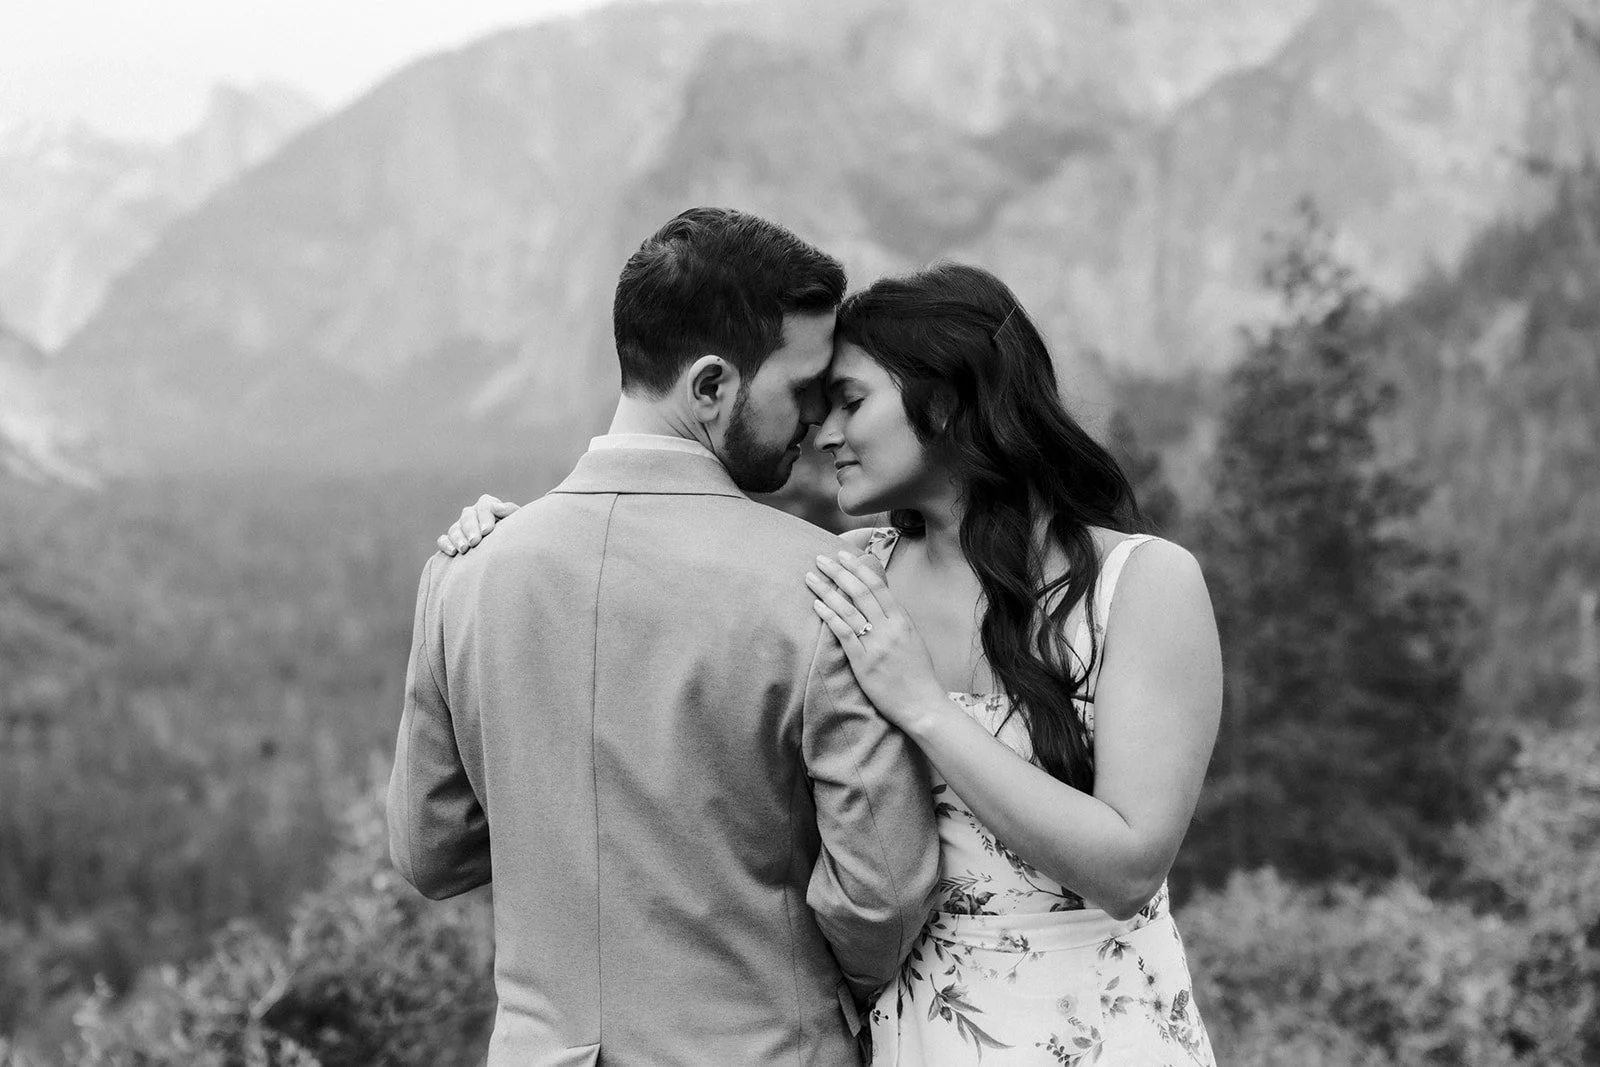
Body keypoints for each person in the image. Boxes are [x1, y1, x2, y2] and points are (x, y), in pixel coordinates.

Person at [445, 262, 1221, 1065]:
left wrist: (922, 706)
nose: (824, 433)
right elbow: (661, 613)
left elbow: (1129, 867)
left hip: (1101, 1027)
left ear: (948, 401)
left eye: (851, 402)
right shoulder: (851, 574)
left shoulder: (1143, 583)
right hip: (907, 1036)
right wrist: (500, 546)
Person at [390, 206, 940, 1066]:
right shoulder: (825, 587)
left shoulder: (466, 574)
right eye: (801, 389)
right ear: (712, 385)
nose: (814, 423)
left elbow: (429, 851)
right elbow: (881, 899)